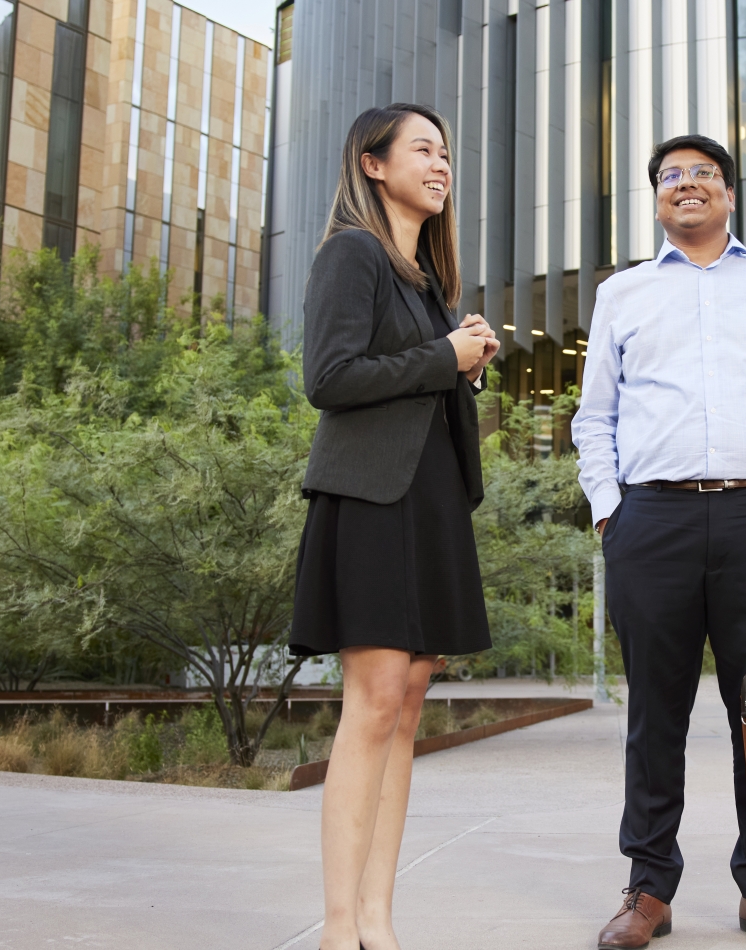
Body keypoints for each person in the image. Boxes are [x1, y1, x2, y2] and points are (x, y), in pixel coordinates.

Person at [574, 133, 746, 950]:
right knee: (655, 713)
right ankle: (648, 888)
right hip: (652, 520)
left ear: (730, 194)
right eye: (670, 177)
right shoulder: (622, 294)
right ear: (656, 198)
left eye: (704, 175)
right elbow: (596, 417)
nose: (687, 186)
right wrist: (610, 513)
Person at [287, 103, 499, 950]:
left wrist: (462, 362)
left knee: (407, 707)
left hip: (430, 501)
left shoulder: (425, 283)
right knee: (372, 703)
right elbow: (329, 376)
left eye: (447, 152)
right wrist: (443, 357)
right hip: (372, 502)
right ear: (373, 165)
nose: (441, 163)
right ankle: (341, 926)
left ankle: (379, 917)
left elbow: (408, 384)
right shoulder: (352, 253)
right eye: (424, 149)